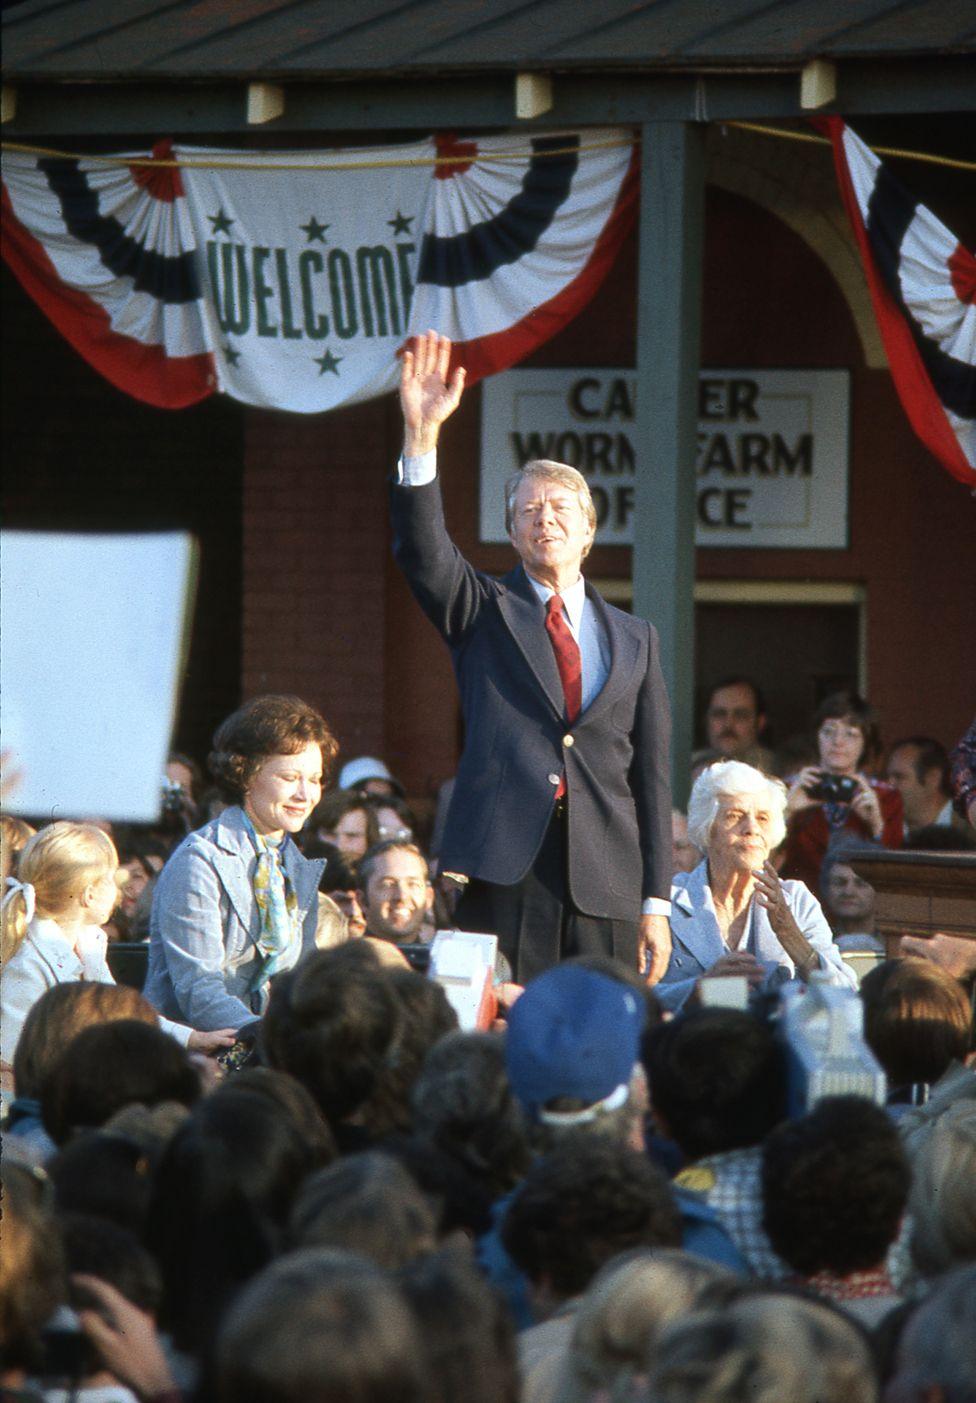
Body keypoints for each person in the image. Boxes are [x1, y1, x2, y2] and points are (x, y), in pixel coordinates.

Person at [392, 331, 672, 984]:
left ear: (590, 529)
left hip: (606, 884)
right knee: (499, 1045)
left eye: (560, 508)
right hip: (501, 869)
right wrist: (421, 437)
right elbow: (423, 550)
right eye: (529, 510)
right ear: (513, 532)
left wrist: (656, 902)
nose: (545, 519)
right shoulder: (482, 609)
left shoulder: (638, 638)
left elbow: (652, 780)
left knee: (601, 1046)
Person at [144, 693, 337, 1031]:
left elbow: (300, 985)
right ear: (246, 775)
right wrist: (274, 1042)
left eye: (315, 779)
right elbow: (199, 994)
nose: (305, 795)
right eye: (290, 778)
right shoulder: (199, 860)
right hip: (196, 1057)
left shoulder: (293, 863)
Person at [0, 822, 230, 1077]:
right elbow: (13, 1060)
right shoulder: (26, 962)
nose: (118, 885)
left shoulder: (89, 942)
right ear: (88, 895)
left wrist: (192, 1038)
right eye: (110, 878)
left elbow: (121, 1015)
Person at [656, 761, 856, 1013]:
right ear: (708, 829)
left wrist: (791, 936)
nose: (751, 828)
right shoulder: (668, 900)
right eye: (735, 816)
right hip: (693, 1045)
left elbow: (845, 998)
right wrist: (699, 991)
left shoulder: (796, 900)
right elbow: (639, 995)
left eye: (762, 818)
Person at [782, 690, 903, 895]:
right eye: (828, 731)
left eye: (850, 734)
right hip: (798, 902)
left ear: (866, 743)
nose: (838, 741)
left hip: (859, 905)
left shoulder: (886, 796)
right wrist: (785, 812)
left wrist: (876, 825)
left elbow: (896, 871)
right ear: (816, 736)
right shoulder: (788, 789)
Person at [357, 839, 433, 947]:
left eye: (412, 884)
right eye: (388, 885)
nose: (401, 896)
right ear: (362, 900)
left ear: (428, 898)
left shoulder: (443, 963)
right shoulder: (339, 963)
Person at [886, 736, 958, 837]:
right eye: (888, 777)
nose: (889, 786)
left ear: (933, 778)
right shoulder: (884, 828)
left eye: (899, 777)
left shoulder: (970, 827)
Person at [703, 676, 773, 772]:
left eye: (741, 716)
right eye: (719, 714)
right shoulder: (685, 768)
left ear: (760, 723)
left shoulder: (779, 770)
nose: (728, 724)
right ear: (707, 719)